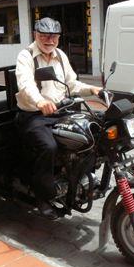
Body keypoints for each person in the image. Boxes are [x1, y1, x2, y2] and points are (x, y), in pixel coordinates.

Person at [15, 17, 101, 220]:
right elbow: (25, 84)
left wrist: (93, 90)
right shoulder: (26, 56)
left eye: (53, 36)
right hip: (34, 115)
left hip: (61, 111)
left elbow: (71, 84)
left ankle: (79, 178)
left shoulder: (60, 55)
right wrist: (40, 102)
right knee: (48, 147)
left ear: (59, 38)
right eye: (44, 36)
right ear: (35, 35)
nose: (49, 40)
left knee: (92, 133)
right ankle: (43, 196)